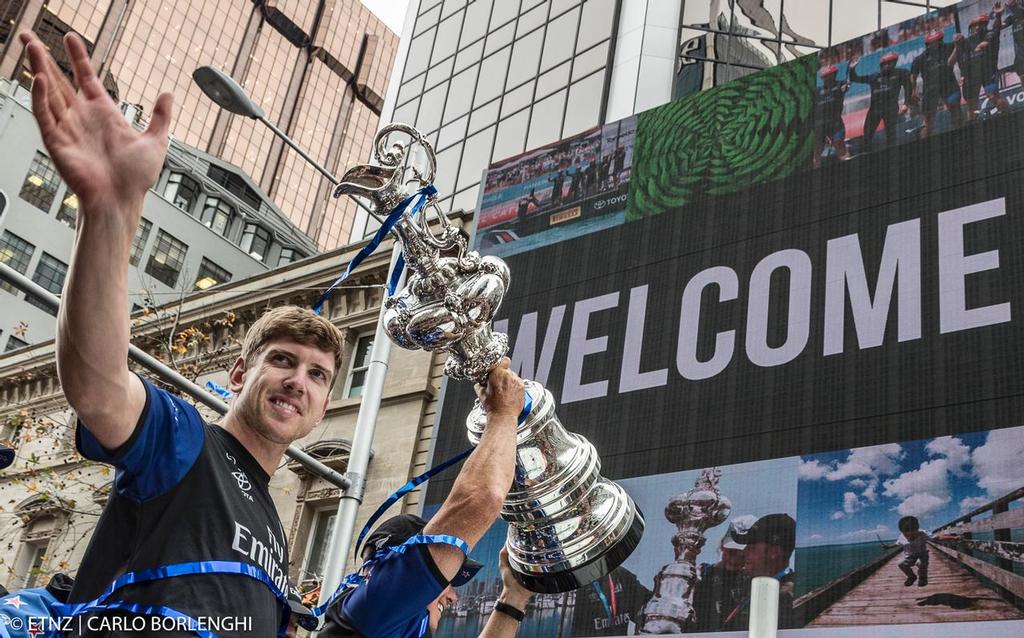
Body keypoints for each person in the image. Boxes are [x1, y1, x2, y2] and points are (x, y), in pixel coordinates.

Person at [19, 29, 526, 636]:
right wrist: (109, 211)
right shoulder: (187, 447)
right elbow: (99, 386)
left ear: (326, 404)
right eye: (282, 361)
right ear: (239, 373)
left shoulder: (270, 529)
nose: (298, 382)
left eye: (318, 375)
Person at [319, 514, 534, 637]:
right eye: (446, 580)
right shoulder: (370, 611)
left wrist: (514, 597)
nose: (453, 597)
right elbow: (476, 499)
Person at [719, 513, 799, 631]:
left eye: (751, 549)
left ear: (774, 552)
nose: (744, 553)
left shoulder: (783, 598)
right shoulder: (769, 588)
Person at [689, 515, 757, 632]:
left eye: (742, 555)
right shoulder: (702, 575)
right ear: (722, 546)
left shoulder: (758, 582)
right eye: (731, 553)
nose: (734, 560)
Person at [849, 52, 913, 152]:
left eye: (889, 63)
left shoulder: (901, 73)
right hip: (874, 111)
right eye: (884, 64)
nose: (886, 65)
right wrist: (852, 68)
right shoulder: (874, 77)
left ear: (894, 63)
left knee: (891, 136)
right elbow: (855, 78)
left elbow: (908, 88)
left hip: (890, 109)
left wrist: (906, 104)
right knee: (867, 136)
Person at [955, 7, 1010, 121]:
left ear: (985, 24)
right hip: (973, 75)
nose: (977, 27)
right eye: (975, 25)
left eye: (980, 24)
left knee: (993, 96)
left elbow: (996, 29)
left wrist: (998, 16)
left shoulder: (990, 34)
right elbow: (959, 59)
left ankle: (1008, 116)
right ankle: (972, 126)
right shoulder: (966, 41)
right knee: (971, 106)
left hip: (988, 71)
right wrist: (963, 74)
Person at [910, 31, 964, 138]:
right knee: (928, 123)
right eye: (932, 43)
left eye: (938, 42)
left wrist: (959, 43)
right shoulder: (920, 58)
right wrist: (913, 91)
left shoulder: (949, 47)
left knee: (956, 113)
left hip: (949, 85)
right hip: (930, 90)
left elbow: (961, 56)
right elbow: (913, 76)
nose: (936, 45)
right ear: (927, 45)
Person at [880, 515, 956, 588]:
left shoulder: (923, 533)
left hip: (922, 554)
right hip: (910, 556)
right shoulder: (902, 536)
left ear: (917, 529)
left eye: (913, 534)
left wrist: (954, 537)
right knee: (901, 564)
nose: (910, 536)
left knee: (921, 564)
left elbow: (937, 538)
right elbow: (897, 544)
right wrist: (888, 547)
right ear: (902, 532)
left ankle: (923, 578)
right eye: (907, 535)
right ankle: (911, 576)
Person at [813, 65, 851, 167]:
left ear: (835, 75)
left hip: (836, 124)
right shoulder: (817, 91)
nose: (828, 78)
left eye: (831, 75)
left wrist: (846, 87)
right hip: (820, 126)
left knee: (839, 145)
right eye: (825, 76)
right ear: (822, 78)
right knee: (817, 151)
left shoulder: (840, 85)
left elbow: (846, 87)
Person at [1003, 0, 1024, 85]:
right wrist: (997, 15)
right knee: (1022, 78)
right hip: (1020, 55)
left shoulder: (1020, 9)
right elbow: (1001, 25)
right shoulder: (1012, 16)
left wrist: (1014, 5)